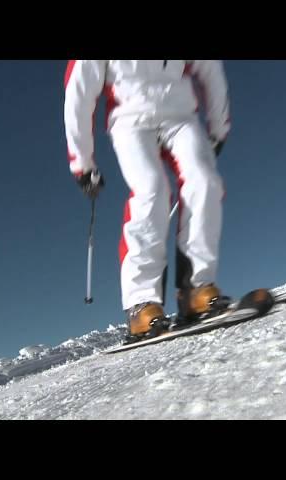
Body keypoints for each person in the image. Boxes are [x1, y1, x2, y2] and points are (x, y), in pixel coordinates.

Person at [64, 60, 231, 341]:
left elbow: (211, 71)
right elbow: (79, 90)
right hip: (129, 120)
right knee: (151, 190)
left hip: (180, 117)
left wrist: (218, 127)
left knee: (205, 183)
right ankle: (142, 303)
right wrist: (82, 161)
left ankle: (195, 289)